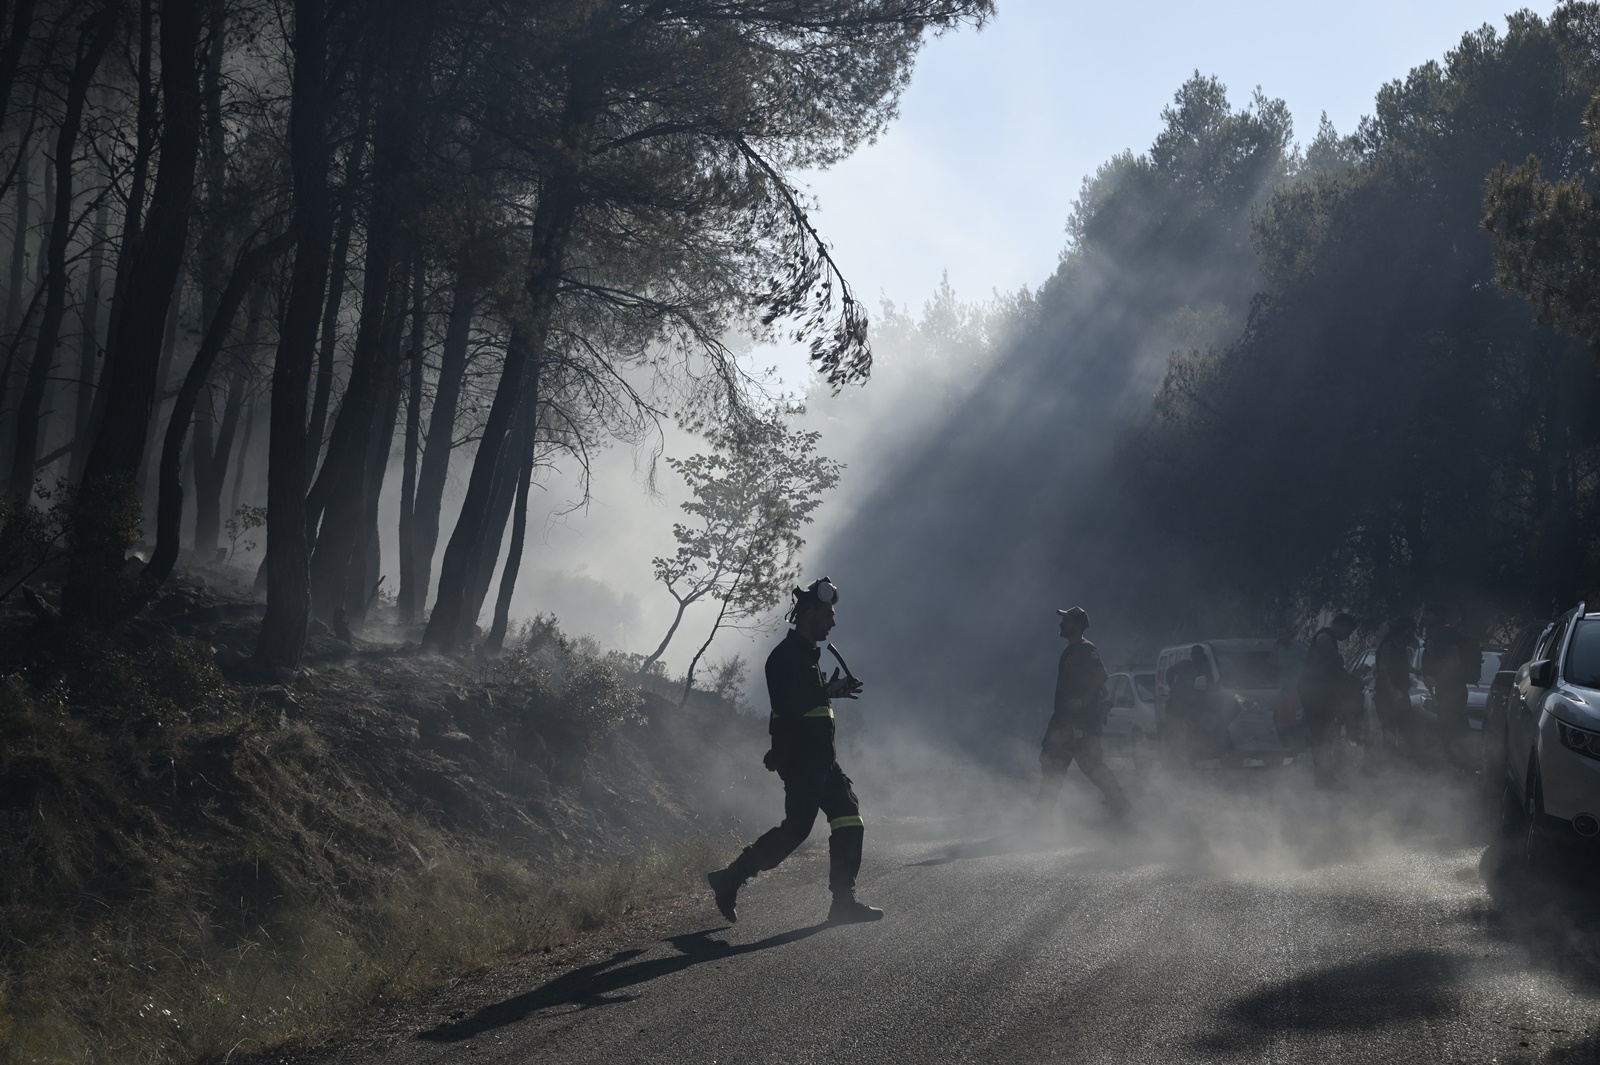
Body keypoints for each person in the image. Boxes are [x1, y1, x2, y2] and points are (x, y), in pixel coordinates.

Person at [706, 577, 882, 925]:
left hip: (822, 763)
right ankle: (730, 877)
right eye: (828, 613)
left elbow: (810, 705)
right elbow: (788, 703)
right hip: (802, 762)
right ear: (810, 613)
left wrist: (830, 690)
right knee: (796, 830)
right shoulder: (784, 658)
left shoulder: (807, 657)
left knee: (849, 819)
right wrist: (827, 691)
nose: (833, 621)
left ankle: (843, 902)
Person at [1036, 606, 1130, 820]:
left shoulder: (1086, 649)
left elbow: (1102, 675)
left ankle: (1120, 804)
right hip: (1062, 721)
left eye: (1066, 620)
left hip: (1080, 723)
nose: (1062, 624)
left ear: (1077, 626)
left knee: (1091, 765)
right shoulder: (1070, 650)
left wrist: (1083, 701)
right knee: (1052, 763)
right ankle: (1043, 813)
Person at [1298, 612, 1362, 787]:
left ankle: (1325, 776)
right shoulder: (1326, 636)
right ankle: (1323, 778)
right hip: (1314, 695)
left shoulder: (1328, 638)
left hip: (1319, 694)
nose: (1347, 636)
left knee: (1325, 736)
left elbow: (1335, 668)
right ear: (1341, 625)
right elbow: (1334, 662)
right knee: (1321, 736)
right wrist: (1341, 665)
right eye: (1348, 632)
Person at [1421, 613, 1480, 766]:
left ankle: (1462, 763)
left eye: (1429, 625)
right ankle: (1454, 763)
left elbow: (1454, 662)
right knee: (1447, 726)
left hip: (1454, 691)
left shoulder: (1447, 637)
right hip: (1444, 691)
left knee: (1455, 726)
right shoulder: (1437, 638)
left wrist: (1436, 679)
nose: (1427, 629)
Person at [1374, 617, 1417, 751]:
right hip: (1387, 695)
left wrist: (1420, 671)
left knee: (1405, 728)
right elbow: (1383, 670)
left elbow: (1403, 666)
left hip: (1400, 692)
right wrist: (1392, 693)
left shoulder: (1400, 646)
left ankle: (1402, 762)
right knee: (1389, 730)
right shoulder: (1388, 645)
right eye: (1410, 630)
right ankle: (1388, 763)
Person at [1165, 645, 1211, 761]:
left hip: (1196, 704)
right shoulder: (1185, 665)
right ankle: (1173, 755)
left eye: (1197, 654)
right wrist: (1172, 685)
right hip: (1179, 703)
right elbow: (1170, 672)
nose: (1194, 656)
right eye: (1193, 654)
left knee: (1193, 730)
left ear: (1202, 654)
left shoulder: (1206, 667)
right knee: (1175, 730)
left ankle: (1192, 756)